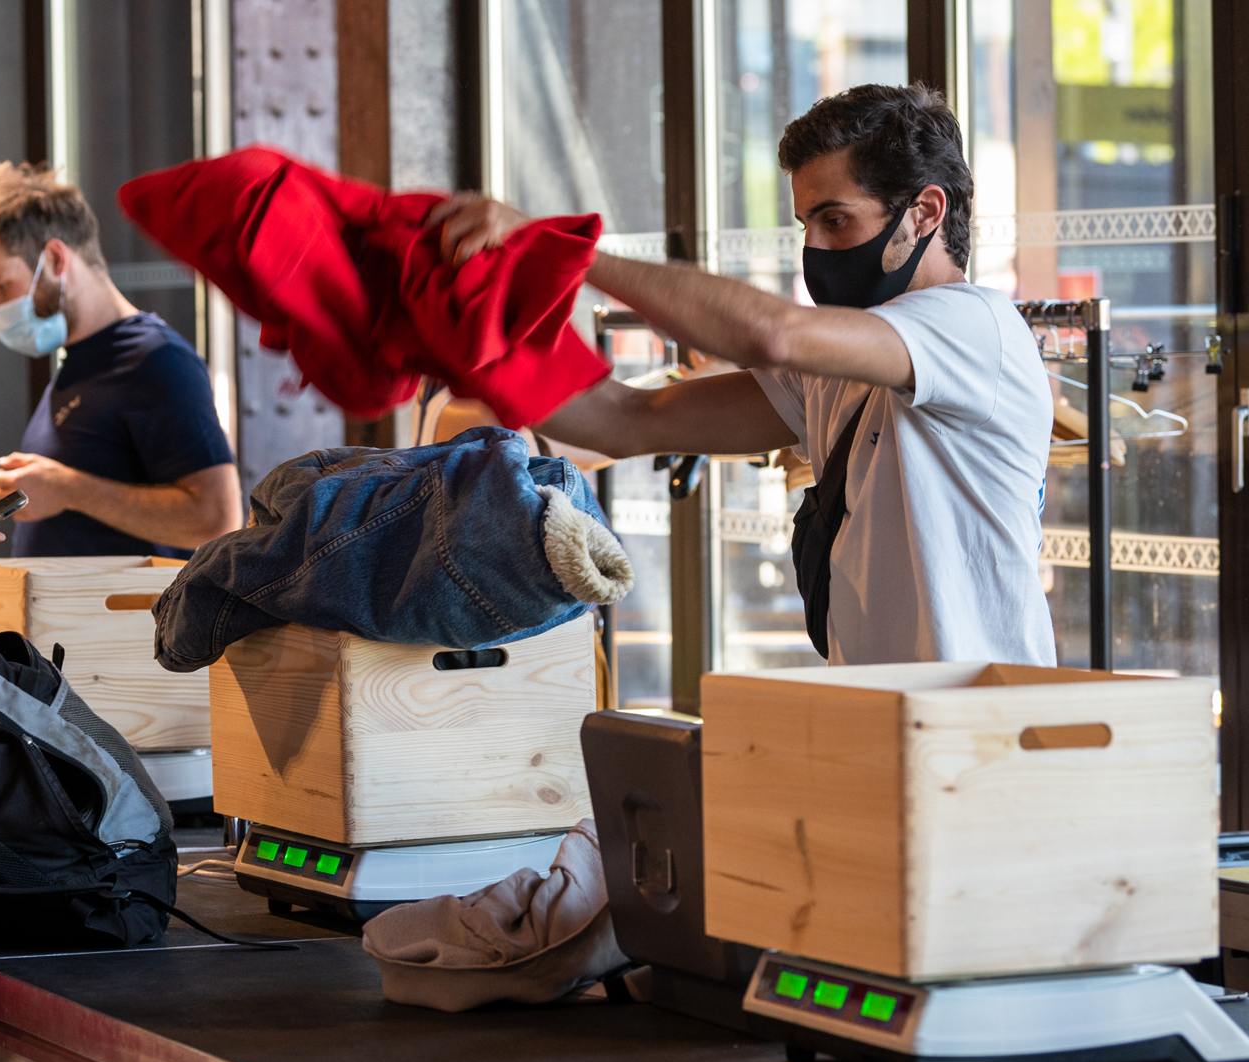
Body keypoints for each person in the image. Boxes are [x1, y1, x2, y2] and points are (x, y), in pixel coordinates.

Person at [433, 83, 1055, 667]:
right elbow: (623, 421)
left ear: (925, 212)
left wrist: (563, 251)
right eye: (804, 225)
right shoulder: (838, 372)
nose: (812, 248)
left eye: (835, 221)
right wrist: (478, 339)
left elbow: (773, 334)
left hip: (986, 721)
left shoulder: (977, 327)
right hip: (883, 718)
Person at [0, 163, 242, 557]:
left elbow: (217, 519)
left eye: (1, 286)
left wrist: (67, 489)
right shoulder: (80, 363)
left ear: (54, 259)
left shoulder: (157, 360)